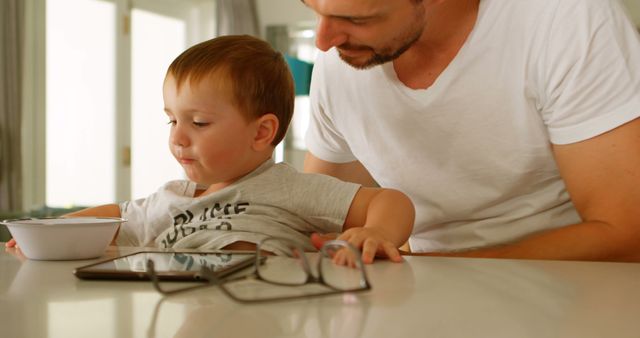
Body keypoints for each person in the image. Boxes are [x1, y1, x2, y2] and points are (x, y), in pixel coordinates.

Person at [6, 35, 414, 263]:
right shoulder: (168, 200)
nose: (178, 137)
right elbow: (116, 215)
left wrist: (377, 233)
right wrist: (48, 231)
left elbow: (392, 202)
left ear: (262, 133)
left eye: (199, 123)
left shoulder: (287, 188)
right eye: (172, 120)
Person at [301, 0, 640, 261]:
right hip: (419, 290)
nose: (324, 41)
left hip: (576, 287)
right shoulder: (340, 64)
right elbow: (321, 218)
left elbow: (626, 235)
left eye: (358, 19)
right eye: (312, 7)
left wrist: (430, 273)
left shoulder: (565, 20)